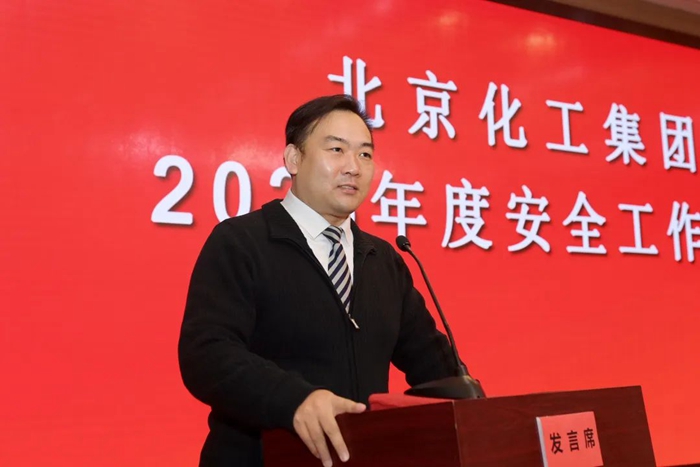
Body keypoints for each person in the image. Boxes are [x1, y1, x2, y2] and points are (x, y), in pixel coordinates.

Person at [178, 94, 460, 467]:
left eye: (365, 154)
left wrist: (474, 407)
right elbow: (207, 354)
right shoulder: (241, 242)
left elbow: (432, 364)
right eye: (337, 150)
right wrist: (294, 400)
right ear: (294, 159)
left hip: (359, 457)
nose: (353, 167)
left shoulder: (383, 259)